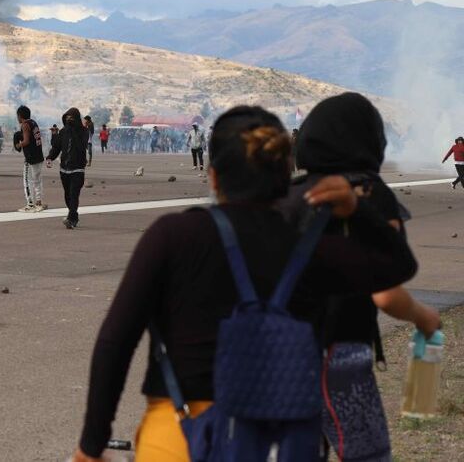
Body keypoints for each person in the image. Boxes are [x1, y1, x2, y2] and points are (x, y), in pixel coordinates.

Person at [73, 105, 419, 462]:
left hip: (179, 440)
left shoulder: (172, 235)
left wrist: (91, 445)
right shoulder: (308, 248)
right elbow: (397, 265)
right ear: (286, 176)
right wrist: (357, 209)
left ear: (213, 176)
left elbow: (115, 341)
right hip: (278, 444)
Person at [282, 93, 441, 461]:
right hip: (338, 354)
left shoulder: (289, 195)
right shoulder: (369, 193)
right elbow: (385, 294)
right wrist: (424, 318)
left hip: (279, 357)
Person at [46, 108, 88, 229]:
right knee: (67, 195)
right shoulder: (63, 132)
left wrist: (72, 130)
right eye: (67, 118)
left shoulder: (83, 132)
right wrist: (50, 157)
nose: (69, 120)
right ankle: (73, 216)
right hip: (64, 169)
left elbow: (81, 146)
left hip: (78, 169)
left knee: (74, 194)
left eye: (71, 118)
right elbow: (57, 147)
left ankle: (71, 219)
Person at [14, 105, 45, 213]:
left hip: (31, 157)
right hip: (39, 155)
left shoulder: (25, 125)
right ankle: (39, 202)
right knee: (37, 180)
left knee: (27, 181)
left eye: (17, 116)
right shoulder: (33, 123)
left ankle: (30, 204)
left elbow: (26, 141)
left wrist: (19, 145)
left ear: (20, 116)